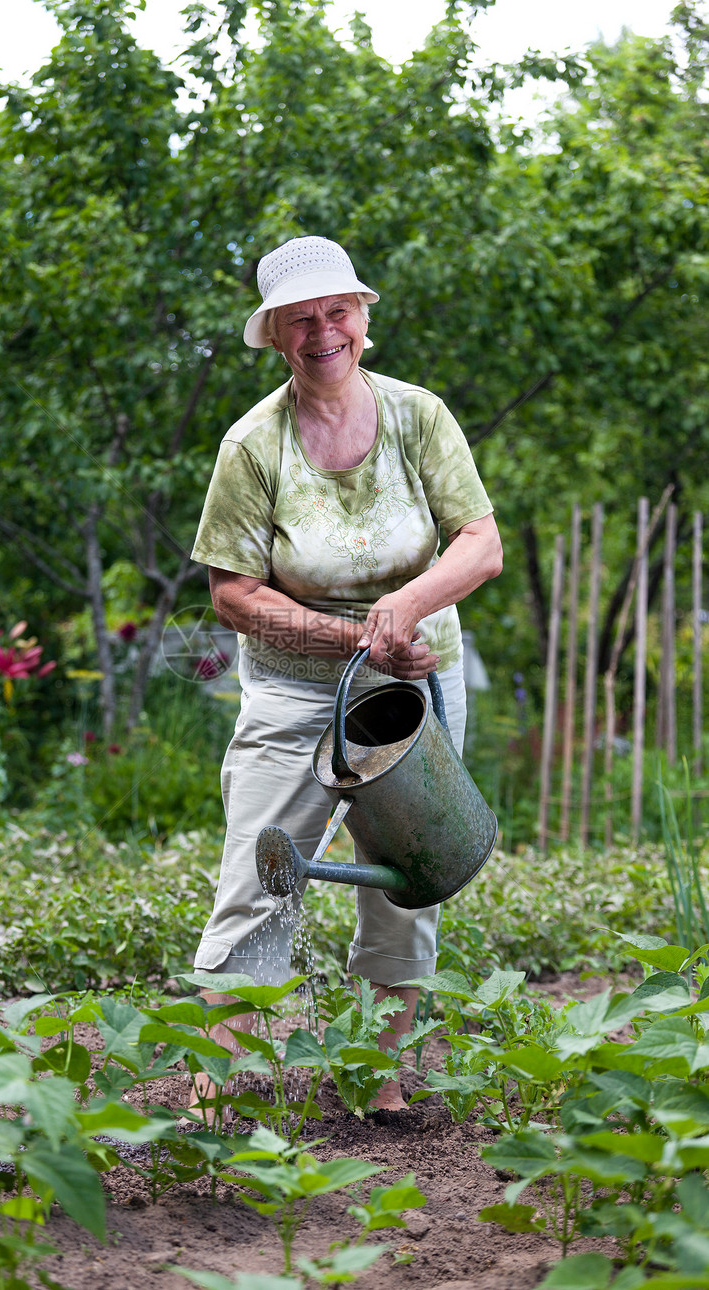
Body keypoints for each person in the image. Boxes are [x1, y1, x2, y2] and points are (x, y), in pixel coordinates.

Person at [188, 235, 502, 1113]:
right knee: (263, 874)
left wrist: (403, 611)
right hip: (296, 688)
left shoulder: (417, 416)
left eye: (337, 312)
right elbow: (234, 596)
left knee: (410, 873)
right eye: (301, 320)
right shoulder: (253, 446)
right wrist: (350, 637)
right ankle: (229, 1097)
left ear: (363, 319)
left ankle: (377, 1080)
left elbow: (481, 544)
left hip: (416, 687)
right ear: (278, 337)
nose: (323, 331)